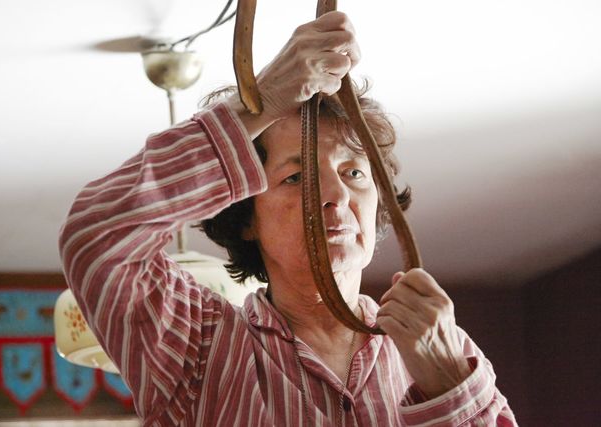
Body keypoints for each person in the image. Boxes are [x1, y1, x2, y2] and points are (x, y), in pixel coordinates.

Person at [59, 11, 517, 426]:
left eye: (354, 172)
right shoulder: (196, 348)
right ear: (246, 218)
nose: (335, 195)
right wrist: (261, 102)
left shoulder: (447, 350)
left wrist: (448, 384)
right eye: (297, 177)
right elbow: (96, 235)